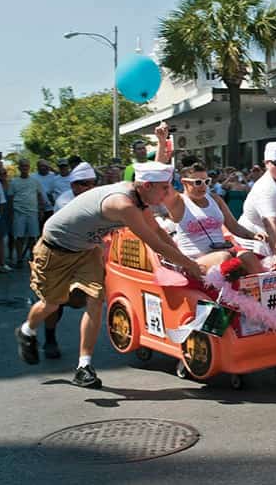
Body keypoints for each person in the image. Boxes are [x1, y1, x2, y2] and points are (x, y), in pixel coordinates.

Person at [15, 161, 203, 388]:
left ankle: (84, 367)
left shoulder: (140, 198)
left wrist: (184, 258)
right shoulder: (123, 204)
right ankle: (27, 330)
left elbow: (158, 231)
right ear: (146, 185)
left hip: (86, 250)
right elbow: (153, 242)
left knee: (95, 301)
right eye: (164, 187)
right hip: (55, 249)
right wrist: (190, 265)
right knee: (53, 303)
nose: (168, 192)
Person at [164, 163, 266, 274]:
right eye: (198, 182)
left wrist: (254, 235)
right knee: (224, 258)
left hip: (222, 251)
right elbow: (162, 182)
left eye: (206, 181)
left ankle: (260, 289)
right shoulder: (178, 202)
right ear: (184, 182)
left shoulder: (215, 199)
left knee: (248, 256)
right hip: (195, 260)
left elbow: (234, 226)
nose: (203, 186)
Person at [42, 162, 99, 358]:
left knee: (91, 298)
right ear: (74, 185)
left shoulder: (96, 199)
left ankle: (85, 356)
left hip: (85, 255)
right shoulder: (65, 201)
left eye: (93, 184)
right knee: (54, 303)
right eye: (84, 184)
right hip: (59, 256)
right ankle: (49, 339)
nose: (89, 188)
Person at [7, 159, 47, 266]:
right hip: (19, 213)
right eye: (22, 166)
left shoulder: (34, 181)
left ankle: (32, 256)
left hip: (32, 212)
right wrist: (10, 214)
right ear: (19, 168)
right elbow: (10, 198)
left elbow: (39, 196)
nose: (24, 168)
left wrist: (41, 210)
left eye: (26, 166)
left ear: (29, 168)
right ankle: (19, 258)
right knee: (19, 237)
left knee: (33, 237)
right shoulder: (14, 182)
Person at [32, 159, 57, 226]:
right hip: (38, 209)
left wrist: (53, 169)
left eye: (45, 166)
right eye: (41, 166)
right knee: (40, 229)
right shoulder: (32, 177)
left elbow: (64, 175)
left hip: (52, 208)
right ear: (37, 167)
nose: (43, 167)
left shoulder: (54, 175)